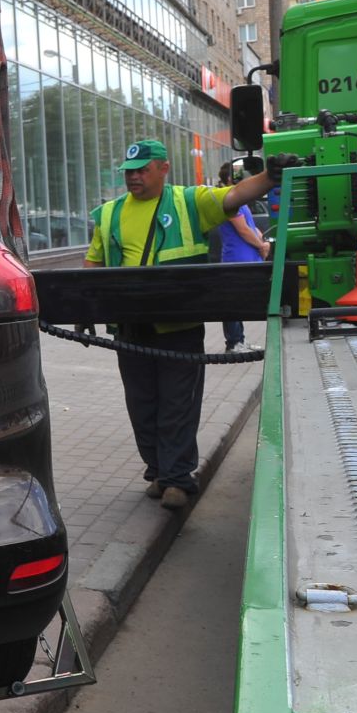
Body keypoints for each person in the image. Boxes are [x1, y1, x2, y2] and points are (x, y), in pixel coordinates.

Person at [84, 139, 291, 512]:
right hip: (130, 330)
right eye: (129, 171)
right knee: (142, 406)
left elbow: (234, 196)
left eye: (142, 170)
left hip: (179, 328)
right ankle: (159, 472)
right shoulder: (108, 214)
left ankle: (178, 478)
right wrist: (82, 308)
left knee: (177, 406)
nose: (134, 177)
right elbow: (93, 266)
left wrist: (268, 177)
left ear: (163, 168)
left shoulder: (189, 202)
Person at [213, 169, 271, 353]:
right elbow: (243, 230)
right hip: (236, 259)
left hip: (246, 256)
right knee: (232, 302)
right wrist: (261, 246)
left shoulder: (239, 200)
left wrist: (261, 241)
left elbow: (251, 226)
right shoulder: (228, 200)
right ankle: (233, 343)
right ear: (229, 178)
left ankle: (240, 340)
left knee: (238, 301)